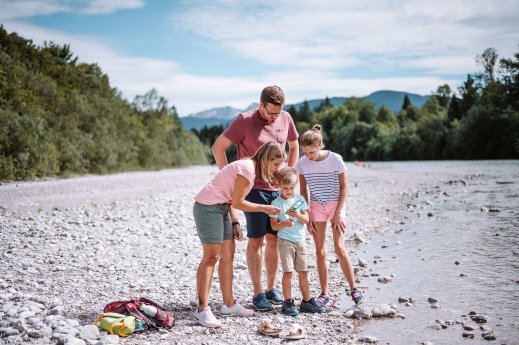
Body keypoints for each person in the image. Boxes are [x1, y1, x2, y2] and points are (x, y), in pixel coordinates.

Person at [212, 85, 299, 311]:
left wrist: (290, 172)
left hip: (277, 189)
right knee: (256, 240)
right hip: (254, 189)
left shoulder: (285, 117)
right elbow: (218, 147)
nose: (274, 117)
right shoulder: (244, 120)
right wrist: (230, 176)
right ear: (261, 105)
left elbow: (294, 145)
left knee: (274, 240)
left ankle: (272, 289)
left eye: (278, 113)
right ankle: (258, 293)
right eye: (271, 113)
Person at [192, 142, 285, 328]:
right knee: (211, 257)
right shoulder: (247, 169)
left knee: (228, 256)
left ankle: (229, 305)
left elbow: (231, 200)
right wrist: (264, 208)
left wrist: (234, 221)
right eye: (276, 164)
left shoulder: (251, 169)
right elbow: (239, 201)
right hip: (208, 207)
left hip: (222, 208)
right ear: (266, 159)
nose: (277, 169)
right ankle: (202, 310)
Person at [296, 124, 366, 307]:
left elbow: (344, 187)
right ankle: (324, 293)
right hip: (315, 208)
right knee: (320, 251)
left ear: (320, 145)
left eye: (311, 152)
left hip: (336, 206)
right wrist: (307, 214)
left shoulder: (335, 159)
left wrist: (337, 214)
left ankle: (354, 289)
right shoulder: (302, 163)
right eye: (305, 152)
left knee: (339, 247)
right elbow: (303, 190)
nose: (308, 156)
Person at [269, 167, 325, 316]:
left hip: (300, 242)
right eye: (285, 188)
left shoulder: (299, 200)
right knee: (288, 272)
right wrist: (284, 224)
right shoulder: (276, 203)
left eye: (292, 188)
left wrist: (298, 215)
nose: (288, 191)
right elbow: (274, 226)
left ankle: (306, 301)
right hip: (285, 241)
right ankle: (288, 302)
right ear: (279, 185)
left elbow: (307, 219)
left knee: (304, 272)